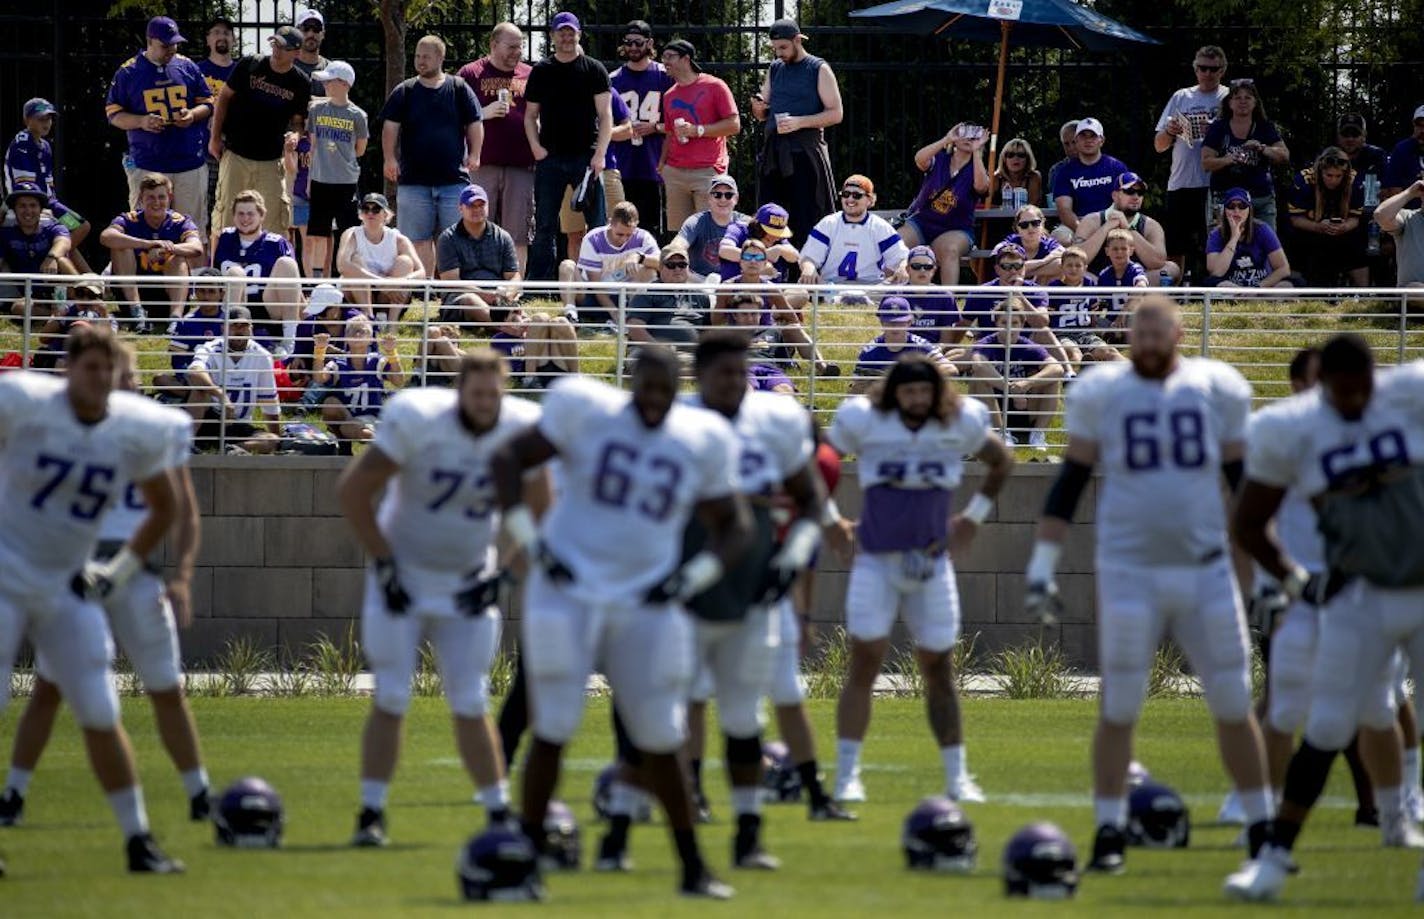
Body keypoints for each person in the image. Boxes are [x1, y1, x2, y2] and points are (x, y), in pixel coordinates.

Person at [1023, 295, 1274, 877]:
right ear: (1130, 335)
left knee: (1234, 702)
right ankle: (1109, 831)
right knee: (1118, 706)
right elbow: (1071, 478)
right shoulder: (1103, 389)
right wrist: (1042, 560)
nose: (1151, 345)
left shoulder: (1218, 387)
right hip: (1129, 569)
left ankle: (1264, 830)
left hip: (1206, 567)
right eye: (1142, 334)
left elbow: (1244, 485)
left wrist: (1265, 571)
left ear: (1181, 333)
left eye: (1161, 334)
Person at [491, 349, 752, 899]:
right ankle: (529, 860)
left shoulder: (700, 436)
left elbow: (734, 526)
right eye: (648, 389)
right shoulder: (587, 410)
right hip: (568, 592)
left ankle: (692, 867)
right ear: (633, 383)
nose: (655, 401)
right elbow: (507, 460)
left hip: (645, 600)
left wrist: (689, 579)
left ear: (677, 388)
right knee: (553, 727)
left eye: (665, 390)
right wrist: (533, 545)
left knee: (660, 733)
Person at [1224, 335, 1424, 901]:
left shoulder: (1409, 393)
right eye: (1343, 394)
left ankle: (1398, 818)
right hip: (1356, 593)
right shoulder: (1291, 428)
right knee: (1330, 724)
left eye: (1364, 390)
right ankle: (1272, 859)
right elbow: (1247, 524)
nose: (1356, 402)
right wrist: (1295, 582)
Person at [336, 348, 543, 847]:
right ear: (459, 393)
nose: (486, 403)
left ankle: (496, 813)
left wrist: (507, 576)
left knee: (471, 699)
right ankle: (371, 812)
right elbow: (353, 491)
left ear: (505, 393)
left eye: (494, 394)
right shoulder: (420, 420)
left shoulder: (520, 429)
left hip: (469, 580)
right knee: (390, 695)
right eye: (477, 394)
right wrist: (384, 563)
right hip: (403, 576)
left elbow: (542, 512)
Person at [0, 325, 189, 874]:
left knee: (101, 709)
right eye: (90, 368)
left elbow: (165, 507)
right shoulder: (26, 404)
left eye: (109, 368)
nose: (101, 378)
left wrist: (120, 568)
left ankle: (138, 841)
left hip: (67, 580)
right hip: (8, 571)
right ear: (68, 371)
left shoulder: (132, 429)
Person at [671, 333, 834, 868]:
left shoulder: (774, 419)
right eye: (725, 375)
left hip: (758, 589)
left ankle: (748, 831)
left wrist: (793, 558)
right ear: (699, 376)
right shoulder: (678, 423)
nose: (737, 385)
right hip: (688, 590)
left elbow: (812, 502)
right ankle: (680, 800)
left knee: (745, 716)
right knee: (679, 703)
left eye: (743, 374)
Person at [826, 353, 1014, 805]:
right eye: (908, 391)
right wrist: (829, 518)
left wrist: (973, 518)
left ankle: (957, 777)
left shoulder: (959, 420)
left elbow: (1002, 460)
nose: (916, 399)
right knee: (864, 665)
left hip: (931, 565)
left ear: (937, 393)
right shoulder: (866, 419)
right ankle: (847, 775)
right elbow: (819, 462)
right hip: (875, 561)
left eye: (923, 391)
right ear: (893, 392)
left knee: (940, 671)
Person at [380, 34, 485, 276]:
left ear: (440, 57)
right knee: (415, 240)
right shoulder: (404, 90)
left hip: (453, 181)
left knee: (454, 239)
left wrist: (476, 154)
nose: (420, 61)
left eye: (426, 56)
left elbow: (475, 122)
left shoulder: (459, 88)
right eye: (417, 56)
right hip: (414, 181)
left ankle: (450, 291)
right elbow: (390, 126)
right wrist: (389, 158)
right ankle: (421, 290)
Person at [523, 12, 613, 282]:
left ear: (578, 34)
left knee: (597, 223)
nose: (566, 36)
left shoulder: (595, 69)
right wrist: (536, 148)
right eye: (561, 32)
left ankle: (601, 281)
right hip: (550, 159)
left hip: (586, 158)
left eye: (570, 31)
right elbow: (529, 116)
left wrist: (600, 154)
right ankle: (539, 284)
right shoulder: (541, 71)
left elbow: (606, 115)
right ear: (552, 36)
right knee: (545, 225)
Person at [106, 17, 214, 236]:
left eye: (175, 44)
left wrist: (192, 115)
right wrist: (141, 121)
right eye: (165, 45)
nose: (171, 50)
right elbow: (113, 114)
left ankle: (195, 271)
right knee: (141, 231)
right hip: (148, 164)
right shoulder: (128, 72)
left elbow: (209, 103)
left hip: (189, 164)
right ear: (149, 41)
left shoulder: (187, 66)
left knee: (194, 232)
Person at [208, 26, 312, 237]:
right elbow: (223, 99)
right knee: (226, 218)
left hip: (272, 160)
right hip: (236, 153)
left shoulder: (300, 82)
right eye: (275, 44)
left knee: (274, 222)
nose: (276, 50)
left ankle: (270, 268)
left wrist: (296, 134)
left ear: (297, 53)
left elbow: (298, 122)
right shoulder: (250, 65)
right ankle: (221, 268)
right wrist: (215, 138)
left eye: (284, 47)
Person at [751, 19, 843, 246]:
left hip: (806, 153)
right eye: (775, 48)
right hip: (774, 154)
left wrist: (800, 122)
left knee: (808, 216)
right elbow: (762, 114)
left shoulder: (818, 68)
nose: (779, 53)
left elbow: (836, 113)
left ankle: (807, 270)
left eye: (783, 47)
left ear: (797, 40)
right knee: (770, 217)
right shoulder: (775, 68)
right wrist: (759, 107)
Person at [458, 23, 536, 271]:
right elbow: (453, 117)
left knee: (519, 230)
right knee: (477, 224)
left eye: (520, 47)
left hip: (521, 165)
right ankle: (477, 282)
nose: (517, 52)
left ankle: (514, 288)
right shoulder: (470, 74)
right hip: (481, 163)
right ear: (493, 45)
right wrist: (482, 113)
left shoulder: (530, 74)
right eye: (511, 47)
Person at [1154, 45, 1229, 278]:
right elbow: (1159, 145)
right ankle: (1174, 293)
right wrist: (1170, 129)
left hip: (1216, 181)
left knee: (1214, 240)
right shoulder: (1181, 96)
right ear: (1195, 69)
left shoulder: (1230, 97)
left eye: (1213, 69)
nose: (1207, 73)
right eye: (1203, 68)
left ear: (1222, 70)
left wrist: (1218, 130)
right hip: (1182, 180)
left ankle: (1212, 289)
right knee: (1176, 244)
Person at [656, 40, 739, 232]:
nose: (665, 62)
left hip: (708, 171)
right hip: (675, 172)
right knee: (679, 234)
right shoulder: (669, 95)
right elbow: (670, 132)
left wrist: (698, 130)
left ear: (686, 59)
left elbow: (734, 125)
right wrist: (662, 163)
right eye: (663, 57)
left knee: (710, 231)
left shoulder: (715, 86)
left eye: (670, 57)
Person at [100, 172, 203, 324]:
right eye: (150, 197)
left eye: (161, 197)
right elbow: (106, 236)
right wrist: (146, 244)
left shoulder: (180, 221)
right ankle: (136, 311)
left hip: (168, 294)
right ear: (141, 199)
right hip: (133, 294)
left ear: (170, 198)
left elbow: (197, 247)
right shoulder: (129, 219)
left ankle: (176, 318)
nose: (156, 202)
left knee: (178, 257)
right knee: (121, 247)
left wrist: (167, 248)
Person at [966, 299, 1066, 450]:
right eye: (1004, 323)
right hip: (994, 406)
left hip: (1024, 405)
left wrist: (1028, 383)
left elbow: (1057, 368)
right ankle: (1001, 433)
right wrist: (1010, 389)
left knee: (1053, 380)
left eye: (1015, 323)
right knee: (979, 379)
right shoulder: (986, 343)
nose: (1009, 328)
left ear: (1022, 325)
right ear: (996, 324)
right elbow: (979, 365)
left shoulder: (1027, 346)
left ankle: (1037, 434)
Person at [212, 189, 303, 356]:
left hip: (268, 307)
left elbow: (294, 286)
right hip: (235, 305)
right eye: (240, 214)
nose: (245, 218)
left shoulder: (276, 243)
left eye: (250, 214)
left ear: (262, 215)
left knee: (287, 263)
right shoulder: (224, 238)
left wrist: (304, 313)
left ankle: (290, 339)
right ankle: (224, 338)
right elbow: (213, 277)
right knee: (236, 273)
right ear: (233, 216)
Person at [898, 123, 989, 286]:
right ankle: (887, 294)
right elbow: (919, 159)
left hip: (956, 228)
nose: (968, 138)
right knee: (897, 243)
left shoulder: (975, 168)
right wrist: (947, 139)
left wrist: (977, 151)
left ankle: (948, 301)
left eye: (974, 135)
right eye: (964, 133)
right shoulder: (940, 159)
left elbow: (982, 186)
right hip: (922, 222)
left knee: (950, 250)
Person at [184, 305, 281, 454]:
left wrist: (278, 441)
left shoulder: (262, 356)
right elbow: (194, 372)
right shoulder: (210, 348)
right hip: (208, 418)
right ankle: (188, 444)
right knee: (200, 391)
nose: (239, 330)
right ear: (223, 328)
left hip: (238, 425)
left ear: (251, 329)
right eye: (234, 325)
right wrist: (220, 395)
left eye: (244, 326)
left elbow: (269, 403)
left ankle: (232, 449)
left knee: (271, 440)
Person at [610, 20, 675, 240]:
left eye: (638, 42)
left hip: (652, 162)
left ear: (649, 43)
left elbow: (678, 123)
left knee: (651, 227)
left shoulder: (664, 77)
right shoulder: (613, 79)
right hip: (622, 162)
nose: (633, 48)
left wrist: (654, 127)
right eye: (628, 42)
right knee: (618, 224)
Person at [5, 98, 92, 261]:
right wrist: (44, 208)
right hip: (31, 200)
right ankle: (53, 260)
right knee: (71, 230)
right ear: (27, 120)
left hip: (48, 202)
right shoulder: (22, 143)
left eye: (49, 118)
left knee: (80, 227)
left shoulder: (45, 146)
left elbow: (49, 184)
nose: (47, 123)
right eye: (41, 118)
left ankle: (59, 262)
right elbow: (24, 186)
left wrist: (52, 206)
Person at [304, 61, 369, 278]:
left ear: (343, 83)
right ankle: (317, 279)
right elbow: (313, 145)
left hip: (345, 181)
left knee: (347, 231)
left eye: (329, 81)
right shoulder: (316, 110)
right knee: (318, 233)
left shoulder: (357, 115)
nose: (325, 85)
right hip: (320, 179)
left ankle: (345, 276)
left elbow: (360, 149)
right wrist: (309, 180)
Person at [1202, 78, 1289, 229]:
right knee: (1222, 247)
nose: (1243, 101)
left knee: (1267, 248)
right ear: (1229, 103)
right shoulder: (1218, 128)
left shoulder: (1265, 127)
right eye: (1237, 98)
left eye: (1248, 97)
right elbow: (1206, 162)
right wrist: (1228, 160)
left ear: (1255, 102)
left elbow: (1284, 155)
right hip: (1224, 198)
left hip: (1260, 198)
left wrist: (1262, 148)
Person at [558, 200, 658, 325]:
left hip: (627, 297)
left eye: (629, 235)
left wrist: (640, 257)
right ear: (610, 223)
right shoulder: (593, 239)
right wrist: (614, 312)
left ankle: (636, 315)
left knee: (648, 269)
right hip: (593, 296)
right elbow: (596, 286)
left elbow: (662, 264)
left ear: (636, 225)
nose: (624, 239)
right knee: (567, 265)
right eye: (620, 234)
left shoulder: (643, 237)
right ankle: (571, 314)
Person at [800, 175, 908, 285]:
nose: (850, 199)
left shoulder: (880, 226)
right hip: (831, 287)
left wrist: (902, 267)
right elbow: (808, 257)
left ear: (870, 200)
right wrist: (808, 268)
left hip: (871, 289)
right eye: (846, 194)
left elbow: (901, 258)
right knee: (800, 292)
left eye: (857, 195)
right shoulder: (828, 223)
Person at [314, 315, 405, 446]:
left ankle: (388, 447)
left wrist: (392, 354)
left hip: (373, 418)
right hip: (348, 418)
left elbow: (398, 381)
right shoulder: (338, 363)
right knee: (330, 404)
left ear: (370, 339)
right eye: (352, 331)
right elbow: (319, 378)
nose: (357, 334)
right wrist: (319, 351)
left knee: (356, 430)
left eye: (361, 331)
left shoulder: (377, 361)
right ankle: (343, 444)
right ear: (345, 338)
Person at [337, 193, 424, 328]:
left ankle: (392, 324)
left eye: (376, 209)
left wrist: (401, 281)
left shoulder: (398, 238)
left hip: (390, 296)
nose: (370, 213)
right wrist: (379, 282)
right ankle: (369, 319)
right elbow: (342, 265)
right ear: (361, 214)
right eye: (366, 209)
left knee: (405, 262)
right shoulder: (352, 234)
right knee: (355, 260)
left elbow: (421, 272)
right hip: (357, 294)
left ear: (386, 215)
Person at [1073, 172, 1179, 283]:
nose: (1136, 197)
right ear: (1115, 195)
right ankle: (1108, 291)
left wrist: (1128, 229)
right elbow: (1076, 258)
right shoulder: (1092, 220)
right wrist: (1105, 228)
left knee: (1172, 269)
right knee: (1066, 270)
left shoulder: (1151, 225)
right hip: (1099, 280)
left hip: (1137, 281)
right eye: (1130, 192)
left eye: (1140, 193)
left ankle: (1131, 288)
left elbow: (1159, 262)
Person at [1287, 147, 1367, 287]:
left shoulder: (1354, 181)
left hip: (1342, 232)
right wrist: (1317, 227)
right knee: (1297, 241)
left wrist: (1344, 227)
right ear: (1320, 171)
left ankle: (1366, 295)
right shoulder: (1303, 180)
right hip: (1310, 231)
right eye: (1329, 175)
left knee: (1358, 244)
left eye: (1338, 176)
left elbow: (1355, 218)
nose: (1333, 180)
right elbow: (1295, 219)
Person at [0, 182, 77, 315]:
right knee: (18, 308)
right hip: (31, 296)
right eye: (22, 206)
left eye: (33, 205)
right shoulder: (6, 232)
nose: (28, 211)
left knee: (62, 261)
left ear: (41, 209)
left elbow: (64, 241)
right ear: (14, 209)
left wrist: (51, 257)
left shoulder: (52, 226)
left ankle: (84, 302)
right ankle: (60, 316)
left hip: (61, 290)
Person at [156, 267, 231, 400]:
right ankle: (201, 396)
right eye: (202, 291)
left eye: (211, 292)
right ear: (196, 292)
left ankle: (196, 398)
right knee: (159, 378)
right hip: (194, 377)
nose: (206, 296)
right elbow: (178, 361)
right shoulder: (186, 322)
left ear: (222, 294)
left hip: (224, 376)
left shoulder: (229, 321)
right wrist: (190, 378)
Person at [848, 296, 950, 394]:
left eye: (900, 322)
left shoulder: (920, 346)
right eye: (890, 322)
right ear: (882, 323)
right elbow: (856, 388)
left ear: (909, 322)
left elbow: (950, 369)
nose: (895, 327)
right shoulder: (870, 352)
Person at [1205, 187, 1301, 288]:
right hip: (1231, 288)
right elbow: (1216, 272)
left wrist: (1258, 288)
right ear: (1225, 210)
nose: (1236, 211)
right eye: (1231, 206)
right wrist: (1234, 238)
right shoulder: (1216, 234)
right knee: (1213, 284)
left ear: (1249, 210)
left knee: (1290, 284)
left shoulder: (1263, 229)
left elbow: (1283, 268)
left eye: (1242, 206)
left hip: (1261, 287)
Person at [1045, 246, 1122, 370]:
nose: (1073, 269)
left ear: (1085, 268)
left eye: (1078, 265)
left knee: (1110, 351)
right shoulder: (1054, 287)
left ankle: (1138, 373)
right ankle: (1083, 373)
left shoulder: (1089, 284)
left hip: (1085, 333)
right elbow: (1047, 311)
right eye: (1069, 265)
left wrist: (1095, 323)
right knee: (1074, 354)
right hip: (1062, 334)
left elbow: (1092, 310)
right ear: (1061, 267)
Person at [664, 174, 749, 280]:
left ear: (736, 199)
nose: (723, 199)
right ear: (709, 198)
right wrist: (676, 251)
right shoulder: (696, 221)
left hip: (737, 281)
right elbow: (678, 245)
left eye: (728, 195)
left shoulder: (746, 223)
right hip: (699, 281)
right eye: (717, 195)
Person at [1052, 118, 1130, 233]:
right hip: (1078, 223)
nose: (1088, 140)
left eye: (1093, 136)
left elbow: (1128, 202)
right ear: (1076, 140)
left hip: (1112, 223)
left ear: (1102, 140)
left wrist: (1109, 227)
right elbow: (1064, 210)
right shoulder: (1065, 172)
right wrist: (1082, 230)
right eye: (1083, 136)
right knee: (1060, 236)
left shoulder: (1117, 167)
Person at [197, 17, 238, 234]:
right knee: (203, 207)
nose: (221, 36)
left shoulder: (242, 70)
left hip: (234, 150)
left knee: (231, 206)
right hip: (202, 150)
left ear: (234, 40)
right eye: (216, 32)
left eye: (226, 33)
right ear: (207, 40)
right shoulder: (195, 70)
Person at [628, 245, 710, 347]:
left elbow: (707, 332)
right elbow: (635, 328)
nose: (677, 269)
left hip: (691, 355)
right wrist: (660, 351)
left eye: (682, 265)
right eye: (671, 265)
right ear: (661, 267)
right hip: (650, 353)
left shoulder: (701, 296)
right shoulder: (647, 292)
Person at [483, 302, 579, 390]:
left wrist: (531, 327)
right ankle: (530, 379)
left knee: (560, 321)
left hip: (557, 364)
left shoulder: (532, 330)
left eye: (518, 315)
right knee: (540, 318)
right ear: (501, 327)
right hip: (535, 371)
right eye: (513, 320)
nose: (519, 321)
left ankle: (575, 376)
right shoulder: (498, 341)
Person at [959, 241, 1050, 332]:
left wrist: (1018, 295)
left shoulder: (1035, 291)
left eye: (1017, 266)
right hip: (991, 343)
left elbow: (1042, 324)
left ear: (1024, 268)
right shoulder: (981, 292)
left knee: (1045, 333)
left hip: (1025, 343)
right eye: (1007, 266)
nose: (1013, 271)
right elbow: (964, 324)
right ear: (997, 270)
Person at [901, 246, 968, 349]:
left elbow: (946, 340)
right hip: (902, 352)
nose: (922, 270)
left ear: (934, 269)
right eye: (916, 266)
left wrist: (934, 354)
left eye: (927, 267)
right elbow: (890, 335)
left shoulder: (945, 297)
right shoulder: (895, 295)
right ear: (907, 269)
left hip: (933, 353)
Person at [717, 202, 800, 281]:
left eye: (779, 233)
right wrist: (762, 257)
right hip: (737, 290)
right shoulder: (739, 229)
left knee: (800, 294)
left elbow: (795, 257)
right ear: (757, 227)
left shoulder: (779, 239)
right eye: (771, 232)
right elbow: (724, 250)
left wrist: (780, 250)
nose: (776, 237)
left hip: (771, 292)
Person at [1375, 178, 1424, 308]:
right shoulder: (1408, 218)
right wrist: (1409, 192)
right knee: (1416, 290)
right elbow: (1380, 215)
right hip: (1413, 298)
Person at [1000, 204, 1063, 283]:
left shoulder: (1050, 243)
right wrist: (1043, 261)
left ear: (1042, 223)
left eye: (1035, 223)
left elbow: (1062, 263)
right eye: (1024, 225)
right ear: (1017, 227)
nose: (1030, 228)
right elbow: (1006, 269)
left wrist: (1024, 272)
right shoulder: (1010, 242)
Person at [1381, 105, 1424, 207]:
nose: (1423, 131)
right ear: (1413, 125)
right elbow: (1394, 192)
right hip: (1409, 215)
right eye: (1419, 125)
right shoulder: (1402, 150)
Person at [993, 137, 1042, 212]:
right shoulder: (996, 178)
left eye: (1021, 155)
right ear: (1004, 159)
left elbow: (1033, 206)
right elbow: (986, 206)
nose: (1016, 158)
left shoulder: (1034, 177)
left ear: (1027, 159)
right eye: (1010, 155)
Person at [291, 8, 330, 87]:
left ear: (323, 34)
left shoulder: (332, 70)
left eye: (317, 28)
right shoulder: (284, 66)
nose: (311, 34)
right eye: (305, 28)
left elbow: (341, 98)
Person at [1045, 121, 1078, 213]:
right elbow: (1054, 203)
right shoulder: (1057, 170)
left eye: (1074, 142)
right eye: (1066, 144)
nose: (1071, 148)